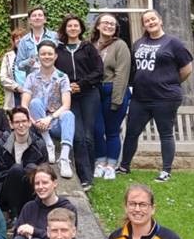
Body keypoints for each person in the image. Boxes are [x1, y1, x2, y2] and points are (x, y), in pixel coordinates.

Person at [118, 10, 194, 183]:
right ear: (143, 25)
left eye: (153, 19)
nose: (150, 22)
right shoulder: (138, 43)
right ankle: (124, 166)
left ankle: (166, 171)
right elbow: (134, 69)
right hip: (140, 98)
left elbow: (187, 68)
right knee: (131, 132)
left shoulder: (173, 43)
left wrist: (171, 82)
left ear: (160, 21)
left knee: (165, 134)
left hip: (165, 98)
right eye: (146, 21)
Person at [54, 15, 104, 190]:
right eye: (70, 26)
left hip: (89, 93)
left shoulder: (88, 48)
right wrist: (68, 85)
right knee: (78, 135)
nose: (73, 28)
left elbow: (99, 71)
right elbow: (55, 71)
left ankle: (89, 176)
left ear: (81, 29)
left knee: (89, 136)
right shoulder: (59, 50)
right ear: (65, 29)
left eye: (76, 26)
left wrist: (81, 84)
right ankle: (83, 176)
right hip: (69, 96)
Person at [21, 40, 76, 176]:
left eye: (50, 54)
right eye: (43, 54)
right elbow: (24, 104)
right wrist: (34, 121)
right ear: (38, 56)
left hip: (55, 122)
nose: (47, 56)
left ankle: (64, 157)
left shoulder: (62, 77)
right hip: (37, 122)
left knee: (68, 114)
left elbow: (66, 105)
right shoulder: (31, 77)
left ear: (55, 56)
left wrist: (49, 118)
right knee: (34, 102)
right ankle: (48, 144)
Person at [0, 106, 48, 220]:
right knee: (16, 169)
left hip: (30, 191)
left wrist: (27, 173)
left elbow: (46, 173)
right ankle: (14, 215)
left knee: (32, 168)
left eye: (24, 121)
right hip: (5, 192)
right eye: (17, 122)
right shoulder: (1, 144)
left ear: (29, 122)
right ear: (11, 125)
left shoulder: (39, 145)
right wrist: (17, 174)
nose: (21, 125)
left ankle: (26, 213)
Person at [92, 14, 131, 180]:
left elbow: (122, 73)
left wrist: (117, 99)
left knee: (112, 131)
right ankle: (100, 162)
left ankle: (111, 165)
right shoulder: (91, 45)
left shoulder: (120, 45)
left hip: (114, 90)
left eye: (112, 24)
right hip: (95, 93)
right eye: (105, 23)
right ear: (98, 26)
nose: (109, 26)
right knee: (97, 129)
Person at [15, 6, 57, 81]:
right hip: (33, 83)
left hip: (53, 81)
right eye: (34, 16)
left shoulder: (55, 37)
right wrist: (29, 61)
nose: (37, 18)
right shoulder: (24, 41)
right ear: (29, 21)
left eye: (40, 15)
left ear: (45, 19)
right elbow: (19, 65)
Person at [0, 27, 27, 109]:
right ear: (14, 41)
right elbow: (3, 77)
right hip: (14, 95)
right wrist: (17, 87)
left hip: (30, 94)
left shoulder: (33, 55)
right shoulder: (8, 57)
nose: (19, 40)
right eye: (16, 38)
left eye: (22, 37)